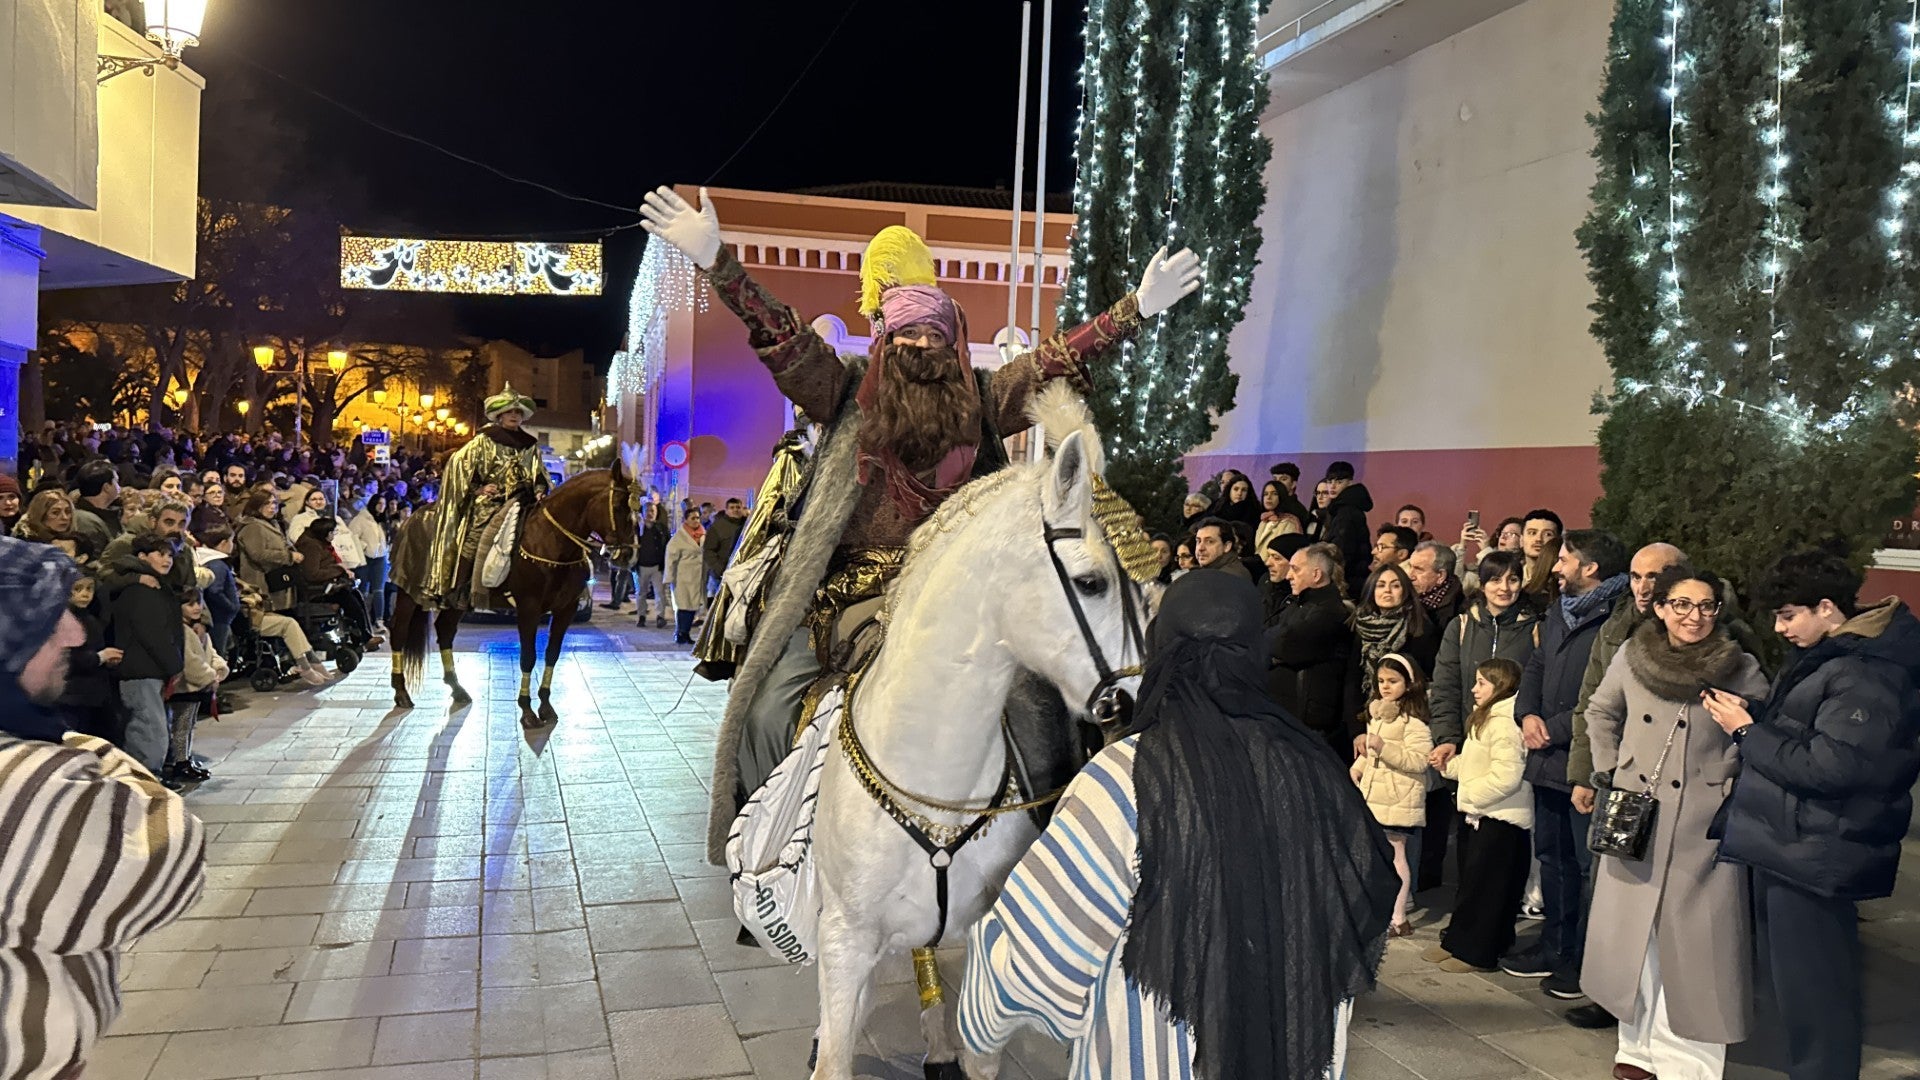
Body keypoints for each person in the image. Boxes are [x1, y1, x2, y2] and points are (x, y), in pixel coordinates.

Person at [640, 187, 1203, 859]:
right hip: (846, 598)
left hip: (961, 599)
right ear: (884, 336)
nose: (918, 344)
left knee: (1048, 712)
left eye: (932, 334)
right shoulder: (842, 389)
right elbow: (784, 336)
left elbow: (1057, 360)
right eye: (905, 331)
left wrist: (1136, 310)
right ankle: (766, 856)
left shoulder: (985, 401)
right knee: (765, 714)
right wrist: (719, 264)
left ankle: (1049, 853)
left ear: (952, 343)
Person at [958, 572, 1396, 1080]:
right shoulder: (1317, 771)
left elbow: (1037, 963)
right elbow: (1365, 899)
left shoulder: (1124, 778)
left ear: (1160, 651)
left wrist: (980, 1021)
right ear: (1255, 652)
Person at [1703, 551, 1920, 1080]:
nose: (1780, 630)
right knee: (1798, 988)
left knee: (1817, 990)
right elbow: (1807, 736)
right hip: (1794, 842)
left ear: (1826, 608)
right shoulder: (1837, 656)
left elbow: (1834, 768)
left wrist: (1746, 731)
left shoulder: (1865, 671)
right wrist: (1756, 719)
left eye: (1788, 615)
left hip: (1819, 849)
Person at [0, 534, 207, 1080]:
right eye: (50, 618)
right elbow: (166, 864)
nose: (73, 632)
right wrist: (87, 750)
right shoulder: (29, 779)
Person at [1583, 566, 1767, 1080]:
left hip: (1704, 828)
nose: (1694, 616)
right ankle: (1636, 1048)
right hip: (1637, 817)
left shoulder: (1741, 667)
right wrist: (1611, 770)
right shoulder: (1632, 656)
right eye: (1682, 605)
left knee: (1700, 947)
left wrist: (1728, 779)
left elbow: (1761, 732)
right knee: (1635, 941)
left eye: (1706, 606)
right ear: (1660, 608)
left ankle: (1691, 1064)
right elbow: (1600, 711)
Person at [1508, 530, 1628, 991]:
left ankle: (1583, 960)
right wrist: (1527, 713)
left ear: (1590, 567)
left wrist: (1554, 728)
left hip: (1581, 761)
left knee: (1584, 865)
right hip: (1545, 757)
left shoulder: (1615, 618)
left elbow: (1601, 692)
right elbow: (1538, 664)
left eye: (1563, 559)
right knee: (1552, 856)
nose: (1555, 567)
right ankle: (1554, 945)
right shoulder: (1560, 610)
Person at [1426, 550, 1541, 892]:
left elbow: (1537, 686)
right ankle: (1468, 914)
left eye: (1513, 579)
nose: (1504, 588)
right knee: (1467, 836)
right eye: (1495, 579)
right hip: (1470, 745)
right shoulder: (1461, 626)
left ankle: (1497, 918)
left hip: (1511, 744)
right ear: (1483, 583)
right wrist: (1447, 737)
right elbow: (1445, 685)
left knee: (1502, 837)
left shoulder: (1535, 628)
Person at [1569, 543, 1690, 816]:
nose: (1643, 588)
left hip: (1682, 778)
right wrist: (1585, 772)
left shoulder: (1710, 631)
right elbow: (1591, 703)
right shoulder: (1614, 627)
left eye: (1654, 577)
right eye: (1636, 577)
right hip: (1621, 772)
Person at [1429, 658, 1532, 973]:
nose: (1474, 689)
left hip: (1500, 818)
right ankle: (1459, 943)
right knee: (1473, 884)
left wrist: (1469, 796)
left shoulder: (1504, 724)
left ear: (1499, 685)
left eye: (1481, 683)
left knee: (1491, 890)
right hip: (1481, 814)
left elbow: (1507, 776)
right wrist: (1449, 766)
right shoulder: (1486, 718)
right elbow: (1477, 763)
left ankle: (1480, 951)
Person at [422, 385, 552, 610]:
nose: (514, 415)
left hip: (524, 500)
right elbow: (459, 467)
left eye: (518, 412)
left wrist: (541, 489)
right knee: (475, 538)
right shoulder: (483, 440)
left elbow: (539, 473)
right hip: (492, 502)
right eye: (510, 412)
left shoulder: (530, 445)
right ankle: (459, 589)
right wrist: (478, 489)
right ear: (500, 415)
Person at [1351, 653, 1434, 937]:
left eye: (1393, 681)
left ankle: (1398, 917)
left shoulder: (1414, 722)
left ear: (1409, 684)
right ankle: (1379, 908)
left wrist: (1383, 747)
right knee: (1376, 856)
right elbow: (1372, 750)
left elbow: (1419, 760)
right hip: (1375, 796)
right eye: (1381, 681)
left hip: (1398, 798)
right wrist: (1359, 764)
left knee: (1397, 856)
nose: (1385, 686)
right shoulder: (1379, 715)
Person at [1267, 543, 1355, 760]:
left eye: (1296, 569)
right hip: (1285, 719)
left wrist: (1273, 647)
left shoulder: (1332, 612)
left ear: (1316, 574)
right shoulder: (1296, 606)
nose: (1289, 575)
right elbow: (1268, 638)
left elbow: (1287, 645)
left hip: (1309, 728)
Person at [107, 533, 185, 774]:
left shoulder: (153, 584)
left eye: (170, 555)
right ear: (142, 556)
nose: (167, 560)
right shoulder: (140, 589)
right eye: (160, 554)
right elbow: (153, 632)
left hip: (149, 669)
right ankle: (143, 785)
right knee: (148, 733)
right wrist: (175, 665)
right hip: (140, 669)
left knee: (153, 730)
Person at [1348, 564, 1438, 721]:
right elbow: (1353, 680)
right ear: (1371, 591)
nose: (1387, 590)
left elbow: (1425, 678)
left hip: (1407, 717)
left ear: (1405, 591)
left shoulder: (1420, 626)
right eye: (1380, 585)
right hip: (1366, 715)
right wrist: (1356, 730)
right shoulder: (1361, 625)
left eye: (1395, 585)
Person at [165, 588, 226, 786]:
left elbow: (209, 653)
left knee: (189, 724)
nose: (197, 607)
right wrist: (210, 677)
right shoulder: (182, 631)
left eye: (199, 603)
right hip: (185, 688)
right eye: (190, 604)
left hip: (197, 687)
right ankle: (179, 762)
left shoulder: (198, 630)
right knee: (181, 726)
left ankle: (186, 758)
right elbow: (190, 662)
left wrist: (218, 668)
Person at [296, 517, 378, 644]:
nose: (334, 535)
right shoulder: (311, 546)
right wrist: (338, 570)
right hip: (316, 590)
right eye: (333, 532)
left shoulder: (320, 543)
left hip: (327, 585)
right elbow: (312, 574)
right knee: (348, 598)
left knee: (355, 594)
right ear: (326, 533)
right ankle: (363, 637)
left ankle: (364, 635)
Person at [234, 489, 301, 614]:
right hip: (262, 583)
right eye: (266, 504)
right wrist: (289, 556)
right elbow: (258, 554)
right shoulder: (252, 526)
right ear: (256, 505)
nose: (272, 507)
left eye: (274, 503)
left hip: (277, 582)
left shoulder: (272, 523)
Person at [1318, 461, 1373, 598]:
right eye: (1330, 481)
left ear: (1349, 482)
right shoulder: (1345, 509)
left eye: (1339, 481)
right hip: (1354, 580)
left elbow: (1341, 552)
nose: (1333, 486)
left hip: (1348, 583)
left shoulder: (1346, 512)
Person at [193, 525, 244, 658]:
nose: (233, 545)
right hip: (220, 617)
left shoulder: (213, 562)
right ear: (223, 543)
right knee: (218, 652)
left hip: (220, 616)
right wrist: (231, 607)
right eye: (231, 541)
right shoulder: (218, 565)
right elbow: (215, 591)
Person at [13, 488, 97, 567]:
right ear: (40, 515)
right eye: (55, 513)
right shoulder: (24, 544)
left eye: (68, 511)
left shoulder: (81, 542)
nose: (65, 517)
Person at [347, 494, 391, 632]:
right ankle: (362, 620)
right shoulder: (360, 519)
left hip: (380, 558)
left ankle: (379, 620)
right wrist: (365, 546)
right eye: (379, 503)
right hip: (365, 559)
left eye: (383, 504)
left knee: (379, 590)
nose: (381, 506)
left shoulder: (382, 521)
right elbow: (352, 537)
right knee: (363, 591)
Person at [665, 512, 707, 645]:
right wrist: (669, 576)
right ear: (686, 520)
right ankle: (681, 633)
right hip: (682, 577)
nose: (696, 521)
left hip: (698, 577)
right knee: (683, 606)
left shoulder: (703, 534)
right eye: (693, 518)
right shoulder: (679, 537)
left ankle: (686, 632)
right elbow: (670, 558)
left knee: (693, 606)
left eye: (697, 518)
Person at [69, 459, 124, 554]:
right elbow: (93, 559)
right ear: (107, 487)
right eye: (116, 482)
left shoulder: (108, 514)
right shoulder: (85, 522)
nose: (119, 487)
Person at [702, 496, 749, 597]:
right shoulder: (717, 527)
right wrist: (720, 570)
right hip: (721, 576)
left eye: (738, 507)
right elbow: (708, 551)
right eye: (732, 507)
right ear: (726, 510)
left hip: (742, 574)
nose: (735, 510)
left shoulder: (748, 525)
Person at [634, 503, 670, 629]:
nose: (650, 513)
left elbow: (667, 546)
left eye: (652, 511)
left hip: (657, 567)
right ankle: (641, 616)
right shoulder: (637, 528)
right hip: (640, 566)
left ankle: (660, 617)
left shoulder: (661, 528)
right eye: (647, 510)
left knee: (660, 593)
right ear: (643, 512)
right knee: (640, 593)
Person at [1520, 509, 1565, 599]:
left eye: (1547, 534)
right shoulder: (1512, 575)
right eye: (1532, 533)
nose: (1538, 539)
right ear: (1521, 540)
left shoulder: (1561, 579)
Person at [1254, 480, 1304, 554]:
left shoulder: (1290, 523)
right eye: (1265, 494)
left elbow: (1288, 552)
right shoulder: (1263, 521)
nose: (1269, 497)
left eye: (1274, 494)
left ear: (1281, 496)